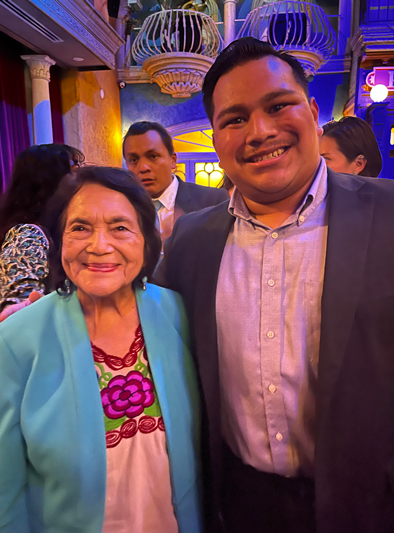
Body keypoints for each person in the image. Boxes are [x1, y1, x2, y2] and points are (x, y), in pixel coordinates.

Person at [156, 37, 394, 533]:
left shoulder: (389, 215)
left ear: (311, 111)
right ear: (216, 137)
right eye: (235, 119)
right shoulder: (191, 243)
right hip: (239, 506)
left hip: (371, 505)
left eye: (278, 105)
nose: (260, 131)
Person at [0, 166, 202, 533]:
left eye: (120, 227)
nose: (99, 246)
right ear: (59, 241)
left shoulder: (178, 313)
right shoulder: (16, 341)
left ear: (146, 240)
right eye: (80, 228)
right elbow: (2, 492)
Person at [0, 143, 84, 313]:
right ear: (49, 180)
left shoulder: (61, 231)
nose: (81, 174)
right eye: (74, 167)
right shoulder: (28, 236)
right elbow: (23, 313)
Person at [123, 121, 228, 246]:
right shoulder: (122, 207)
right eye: (133, 160)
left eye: (153, 156)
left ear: (173, 160)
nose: (143, 167)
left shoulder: (213, 201)